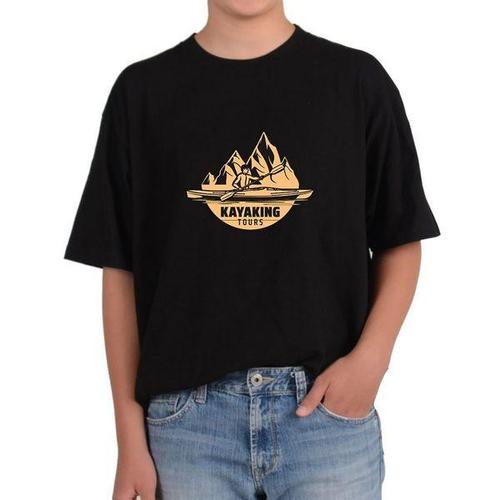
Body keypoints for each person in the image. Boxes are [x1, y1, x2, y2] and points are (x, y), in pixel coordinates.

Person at [65, 1, 440, 498]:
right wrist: (128, 436)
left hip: (326, 418)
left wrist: (371, 361)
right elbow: (120, 272)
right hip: (186, 429)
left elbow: (400, 240)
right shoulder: (142, 93)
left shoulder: (356, 82)